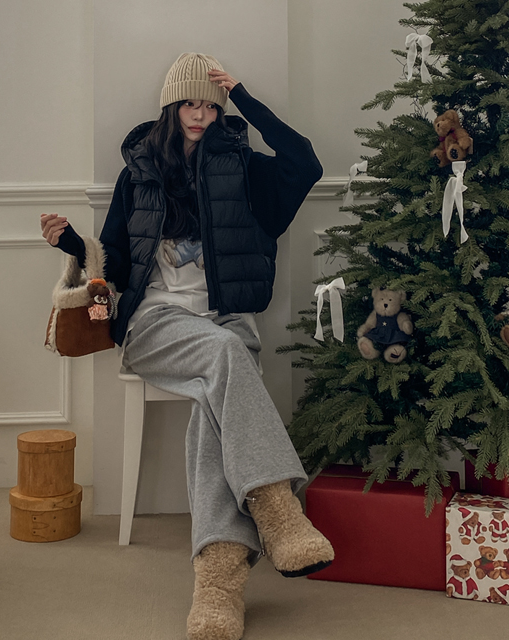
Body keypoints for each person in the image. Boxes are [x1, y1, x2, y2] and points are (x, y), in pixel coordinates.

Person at [41, 52, 333, 640]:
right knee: (225, 357)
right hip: (155, 322)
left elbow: (304, 162)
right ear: (170, 108)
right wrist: (73, 243)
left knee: (211, 402)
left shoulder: (243, 168)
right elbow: (114, 259)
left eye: (210, 106)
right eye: (189, 104)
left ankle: (218, 584)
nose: (199, 115)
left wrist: (243, 96)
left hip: (225, 319)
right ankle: (277, 510)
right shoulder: (139, 171)